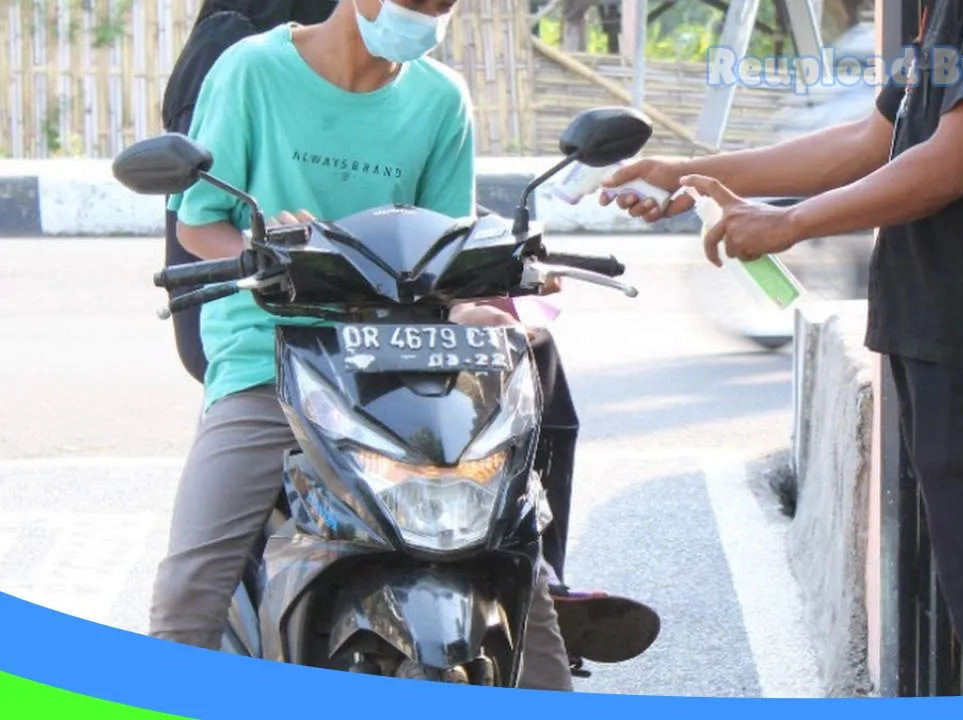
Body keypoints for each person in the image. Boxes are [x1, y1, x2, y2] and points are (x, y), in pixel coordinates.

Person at [151, 0, 656, 691]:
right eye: (418, 3)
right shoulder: (252, 72)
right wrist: (262, 254)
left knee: (515, 558)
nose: (429, 16)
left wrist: (480, 306)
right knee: (190, 587)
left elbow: (443, 238)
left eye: (444, 6)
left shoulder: (440, 98)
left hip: (404, 353)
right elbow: (200, 225)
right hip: (273, 353)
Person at [602, 0, 963, 695]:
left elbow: (955, 162)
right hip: (941, 324)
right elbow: (873, 140)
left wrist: (790, 224)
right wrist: (689, 171)